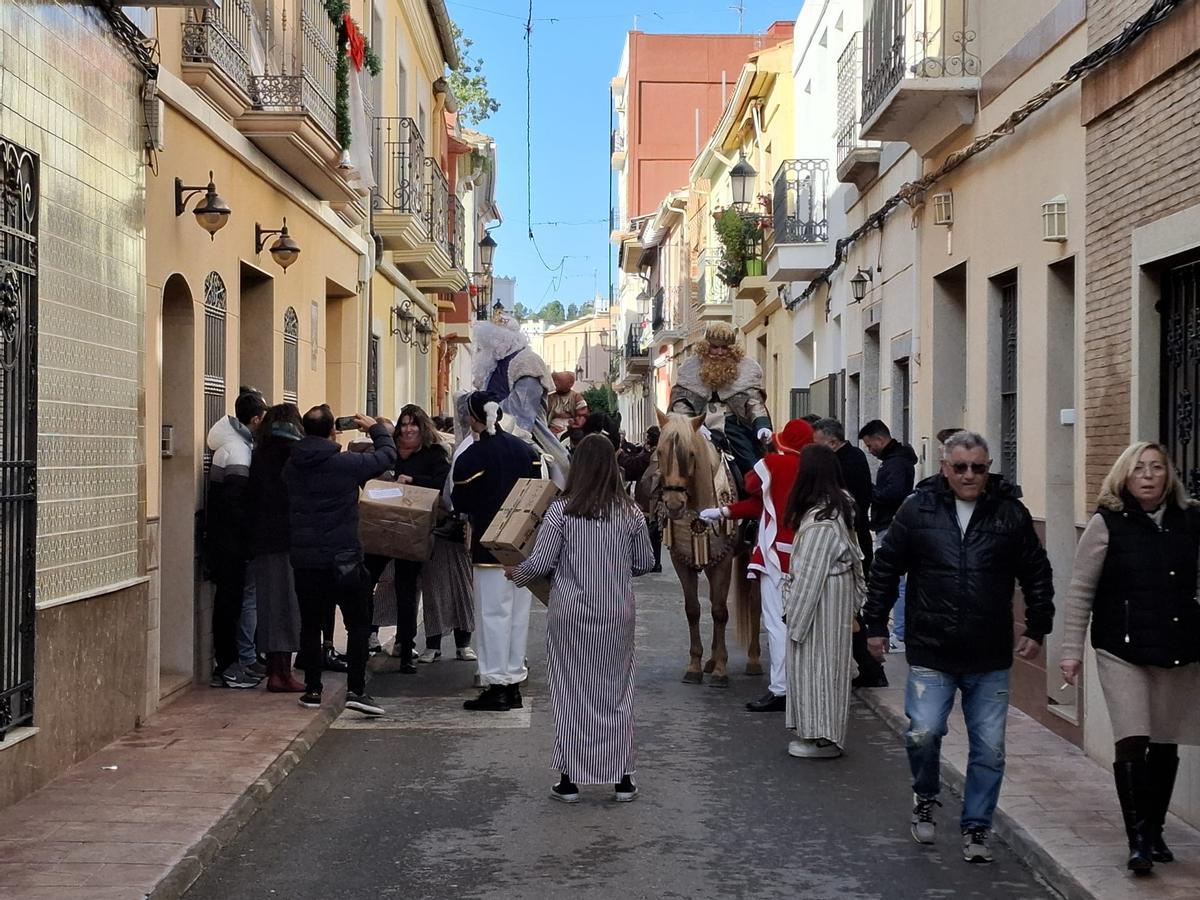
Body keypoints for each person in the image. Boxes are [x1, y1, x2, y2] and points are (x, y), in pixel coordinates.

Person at [863, 430, 1054, 864]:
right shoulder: (917, 510)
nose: (970, 475)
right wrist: (875, 625)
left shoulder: (1009, 514)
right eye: (961, 467)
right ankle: (925, 794)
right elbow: (886, 568)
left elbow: (1037, 572)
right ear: (945, 468)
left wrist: (1038, 625)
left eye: (979, 468)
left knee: (989, 748)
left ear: (988, 469)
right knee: (923, 732)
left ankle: (977, 826)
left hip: (989, 654)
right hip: (932, 650)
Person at [1059, 442, 1200, 875]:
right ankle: (1137, 839)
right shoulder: (1107, 523)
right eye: (1139, 468)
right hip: (1121, 649)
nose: (1149, 475)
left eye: (1157, 467)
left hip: (1177, 647)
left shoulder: (1190, 519)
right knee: (1133, 738)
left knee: (1164, 739)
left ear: (1168, 475)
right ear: (1124, 475)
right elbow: (1082, 589)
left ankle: (1155, 830)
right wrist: (1070, 651)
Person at [508, 435, 655, 802]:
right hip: (617, 613)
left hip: (571, 614)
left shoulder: (561, 512)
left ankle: (570, 779)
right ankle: (623, 777)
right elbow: (646, 563)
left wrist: (517, 573)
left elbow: (541, 564)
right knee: (617, 691)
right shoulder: (631, 513)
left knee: (571, 691)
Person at [284, 406, 396, 716]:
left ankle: (312, 689)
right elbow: (387, 456)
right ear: (335, 431)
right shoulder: (344, 465)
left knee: (311, 624)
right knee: (358, 625)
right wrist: (374, 428)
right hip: (344, 558)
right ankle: (357, 690)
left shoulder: (291, 467)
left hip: (306, 560)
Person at [700, 418, 815, 712]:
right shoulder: (816, 469)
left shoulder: (774, 465)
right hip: (809, 553)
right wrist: (724, 511)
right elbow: (762, 505)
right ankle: (804, 685)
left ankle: (780, 689)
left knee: (777, 624)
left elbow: (750, 483)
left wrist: (762, 453)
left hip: (777, 553)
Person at [452, 391, 543, 711]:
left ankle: (497, 685)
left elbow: (460, 502)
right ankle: (513, 681)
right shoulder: (527, 451)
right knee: (518, 616)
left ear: (475, 418)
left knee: (492, 615)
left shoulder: (473, 457)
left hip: (489, 548)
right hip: (523, 547)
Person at [781, 444, 865, 759]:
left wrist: (793, 616)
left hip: (822, 600)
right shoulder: (839, 506)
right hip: (835, 597)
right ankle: (819, 734)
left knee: (820, 668)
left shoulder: (823, 518)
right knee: (828, 666)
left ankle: (823, 737)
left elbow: (809, 573)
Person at [364, 404, 451, 673]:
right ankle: (364, 637)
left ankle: (405, 648)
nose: (408, 429)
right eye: (403, 424)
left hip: (413, 529)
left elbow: (442, 482)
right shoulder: (388, 452)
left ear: (422, 427)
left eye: (413, 424)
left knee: (406, 589)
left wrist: (412, 480)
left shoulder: (434, 453)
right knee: (365, 580)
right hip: (382, 527)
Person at [204, 389, 268, 689]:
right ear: (255, 419)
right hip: (231, 542)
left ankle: (230, 664)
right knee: (229, 603)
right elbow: (235, 503)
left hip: (223, 539)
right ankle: (228, 667)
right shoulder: (239, 451)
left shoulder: (231, 445)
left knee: (230, 602)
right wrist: (247, 538)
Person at [812, 417, 882, 689]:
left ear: (831, 442)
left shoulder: (847, 462)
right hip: (852, 538)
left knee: (852, 611)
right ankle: (868, 666)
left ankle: (871, 667)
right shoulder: (850, 457)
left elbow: (847, 503)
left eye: (818, 444)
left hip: (852, 541)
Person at [246, 403, 306, 692]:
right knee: (287, 607)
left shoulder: (259, 454)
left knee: (269, 607)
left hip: (262, 541)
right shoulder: (294, 454)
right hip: (287, 540)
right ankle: (281, 673)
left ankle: (275, 669)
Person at [472, 311, 569, 486]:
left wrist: (485, 412)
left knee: (559, 468)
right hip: (485, 429)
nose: (489, 347)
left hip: (525, 433)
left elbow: (522, 409)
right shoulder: (491, 367)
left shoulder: (527, 362)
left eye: (493, 341)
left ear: (506, 339)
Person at [669, 321, 772, 474]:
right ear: (706, 346)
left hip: (732, 427)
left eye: (725, 348)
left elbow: (754, 403)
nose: (719, 352)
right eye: (715, 347)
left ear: (732, 349)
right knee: (667, 464)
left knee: (754, 468)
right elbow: (680, 404)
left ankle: (754, 496)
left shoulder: (747, 370)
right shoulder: (689, 370)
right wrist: (693, 425)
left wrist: (762, 426)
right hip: (697, 426)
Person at [859, 419, 917, 654]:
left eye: (870, 445)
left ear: (880, 439)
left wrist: (869, 490)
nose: (870, 451)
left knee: (896, 582)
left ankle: (901, 634)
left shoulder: (895, 464)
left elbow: (892, 494)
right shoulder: (897, 461)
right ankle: (900, 631)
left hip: (891, 526)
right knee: (897, 581)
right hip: (890, 524)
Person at [547, 371, 589, 438]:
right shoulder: (550, 397)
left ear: (569, 383)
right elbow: (544, 414)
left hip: (571, 430)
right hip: (552, 430)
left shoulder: (576, 397)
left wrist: (573, 424)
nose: (555, 384)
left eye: (558, 381)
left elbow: (582, 415)